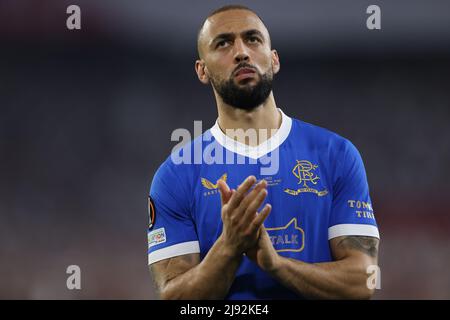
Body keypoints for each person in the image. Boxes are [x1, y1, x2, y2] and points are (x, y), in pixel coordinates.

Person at [147, 5, 380, 299]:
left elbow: (363, 282)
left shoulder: (336, 155)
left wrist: (277, 265)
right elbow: (174, 298)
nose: (242, 52)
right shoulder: (176, 175)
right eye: (223, 43)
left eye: (253, 39)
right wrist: (229, 246)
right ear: (202, 70)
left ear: (274, 59)